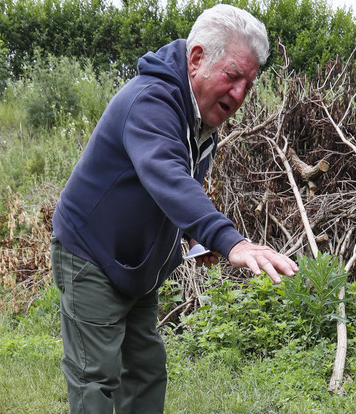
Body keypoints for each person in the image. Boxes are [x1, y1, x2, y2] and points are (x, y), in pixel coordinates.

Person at [50, 4, 298, 413]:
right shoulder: (151, 102)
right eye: (232, 76)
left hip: (136, 267)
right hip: (90, 254)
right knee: (96, 378)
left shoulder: (200, 119)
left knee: (146, 371)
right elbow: (167, 176)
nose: (239, 95)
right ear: (197, 59)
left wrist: (197, 239)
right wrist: (230, 240)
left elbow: (171, 194)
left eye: (248, 85)